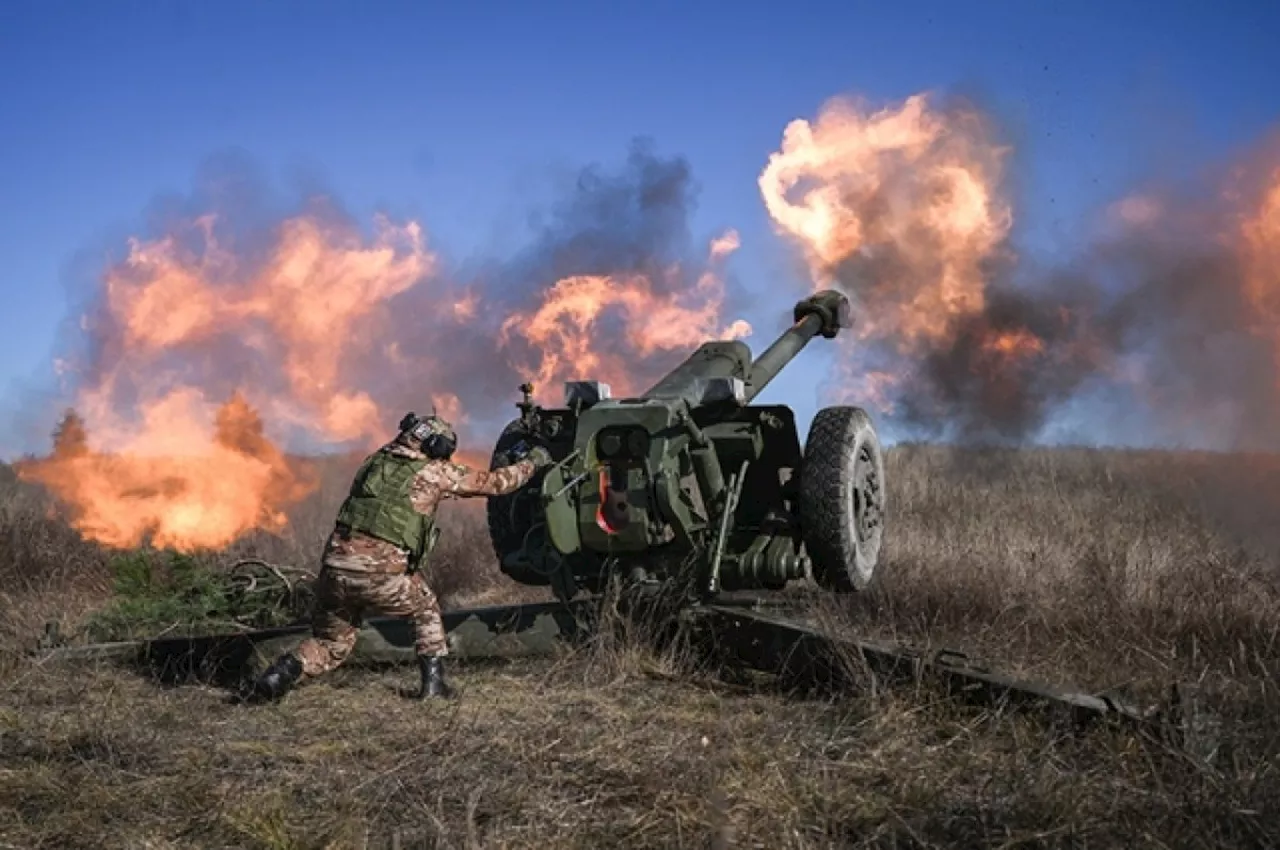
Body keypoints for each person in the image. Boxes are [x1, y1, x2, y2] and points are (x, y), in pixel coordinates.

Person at [248, 412, 552, 702]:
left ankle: (279, 675)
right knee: (426, 608)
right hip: (379, 574)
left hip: (334, 570)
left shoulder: (375, 462)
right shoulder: (434, 472)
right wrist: (534, 461)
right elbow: (497, 483)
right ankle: (434, 686)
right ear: (437, 446)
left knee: (331, 643)